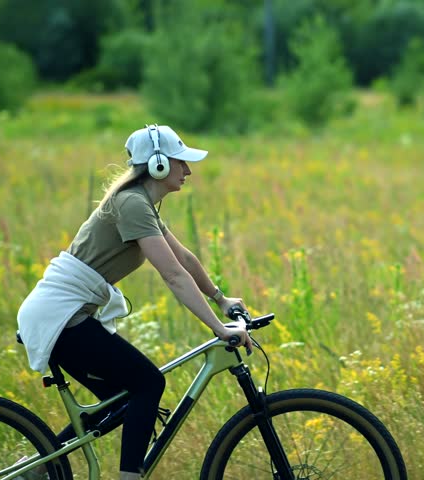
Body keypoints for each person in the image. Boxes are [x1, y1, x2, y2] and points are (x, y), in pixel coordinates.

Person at [16, 124, 251, 480]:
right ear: (157, 165)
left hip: (66, 316)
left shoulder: (142, 204)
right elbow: (173, 275)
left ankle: (34, 471)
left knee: (123, 400)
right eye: (181, 163)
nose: (188, 171)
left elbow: (184, 259)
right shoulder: (131, 204)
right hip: (59, 318)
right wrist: (219, 330)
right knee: (148, 384)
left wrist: (221, 299)